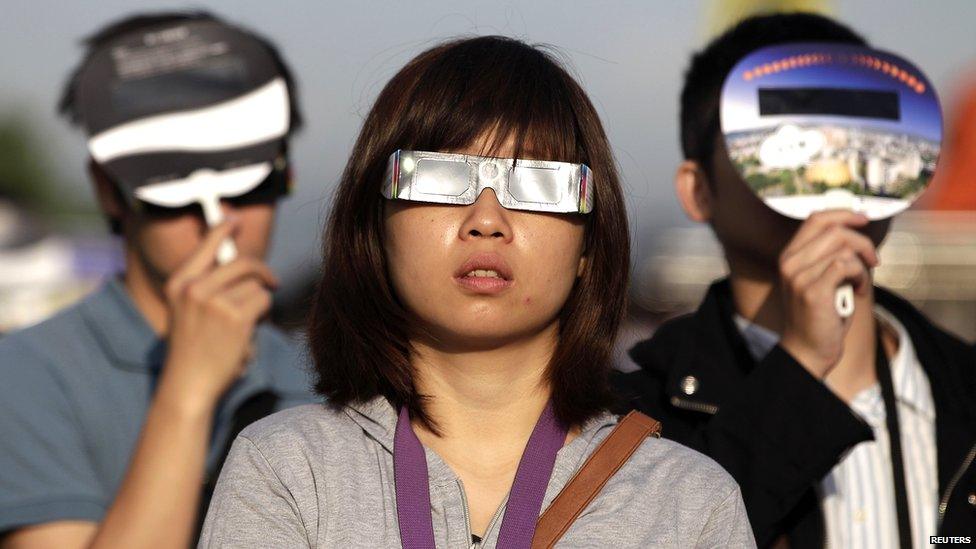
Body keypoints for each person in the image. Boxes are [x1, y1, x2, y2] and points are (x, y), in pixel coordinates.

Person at [199, 36, 755, 548]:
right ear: (376, 226)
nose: (487, 219)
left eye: (538, 182)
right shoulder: (288, 470)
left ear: (590, 242)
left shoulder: (690, 503)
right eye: (439, 175)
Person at [612, 12, 976, 549]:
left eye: (856, 130)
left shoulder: (965, 387)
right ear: (698, 190)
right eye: (779, 132)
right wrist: (801, 366)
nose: (826, 159)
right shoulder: (635, 414)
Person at [0, 12, 319, 548]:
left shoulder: (328, 379)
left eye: (252, 181)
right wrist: (188, 390)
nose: (220, 219)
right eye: (172, 181)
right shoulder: (27, 375)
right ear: (109, 191)